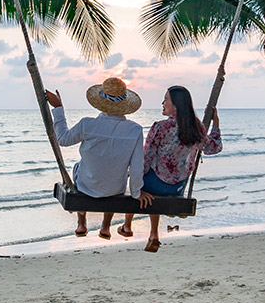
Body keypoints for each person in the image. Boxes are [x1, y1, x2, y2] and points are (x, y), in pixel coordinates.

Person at [120, 86, 222, 253]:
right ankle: (153, 235)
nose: (162, 103)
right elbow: (214, 147)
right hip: (177, 188)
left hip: (154, 185)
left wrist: (133, 180)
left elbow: (146, 161)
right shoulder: (195, 127)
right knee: (153, 180)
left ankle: (127, 225)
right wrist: (215, 125)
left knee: (140, 180)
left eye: (165, 99)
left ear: (175, 105)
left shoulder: (160, 127)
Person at [45, 77, 148, 239]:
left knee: (79, 167)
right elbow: (136, 167)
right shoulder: (135, 130)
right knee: (115, 173)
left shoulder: (87, 125)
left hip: (87, 186)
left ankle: (81, 222)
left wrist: (58, 108)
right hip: (115, 189)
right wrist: (136, 193)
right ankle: (106, 227)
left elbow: (63, 140)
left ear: (100, 102)